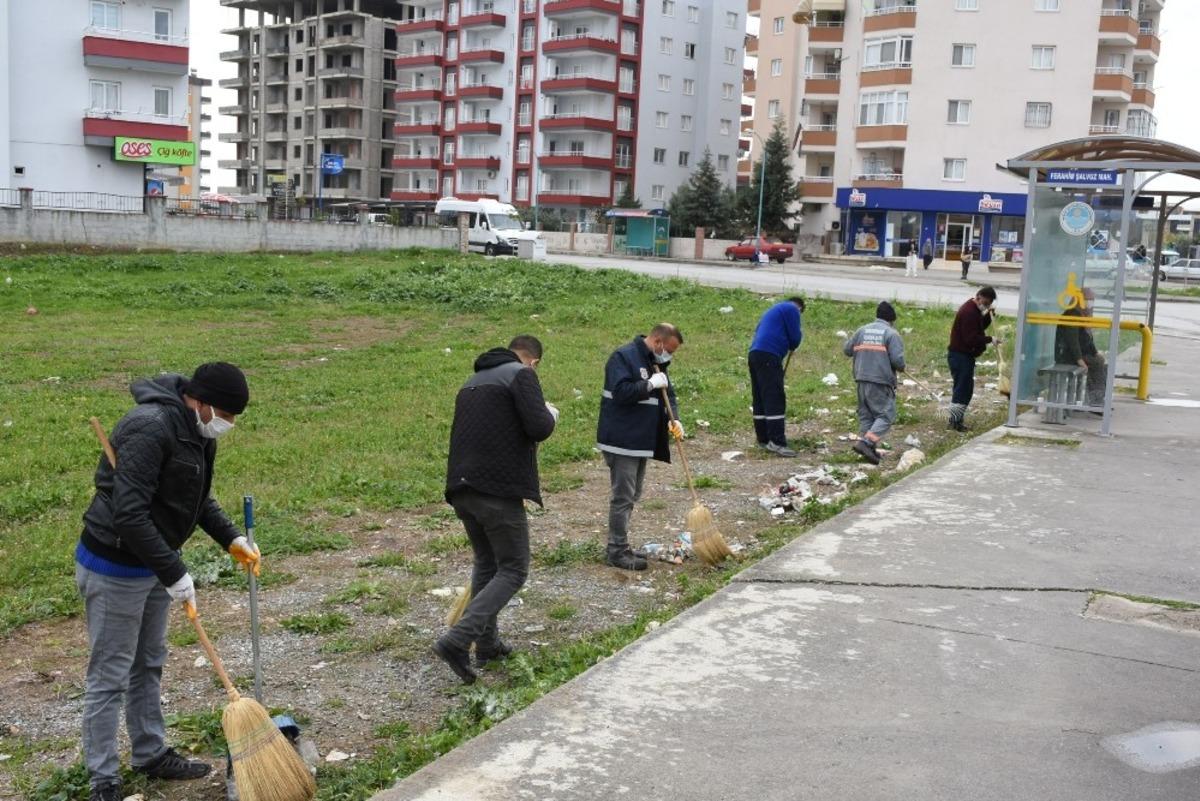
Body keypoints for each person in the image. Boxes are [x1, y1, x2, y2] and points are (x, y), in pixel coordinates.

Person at [76, 363, 258, 801]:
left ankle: (150, 752)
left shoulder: (196, 431)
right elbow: (129, 515)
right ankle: (103, 778)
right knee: (111, 673)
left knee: (149, 663)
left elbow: (195, 498)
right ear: (201, 401)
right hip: (114, 564)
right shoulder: (148, 428)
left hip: (154, 562)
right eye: (226, 415)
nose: (227, 425)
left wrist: (231, 537)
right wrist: (174, 573)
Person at [435, 336, 557, 684]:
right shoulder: (521, 375)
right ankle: (459, 639)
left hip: (461, 486)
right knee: (514, 568)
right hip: (497, 490)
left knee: (487, 563)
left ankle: (487, 646)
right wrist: (549, 414)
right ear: (532, 361)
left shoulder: (471, 381)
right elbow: (539, 427)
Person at [597, 323, 684, 571]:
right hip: (621, 438)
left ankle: (621, 544)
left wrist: (674, 418)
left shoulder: (656, 362)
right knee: (623, 497)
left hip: (641, 439)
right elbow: (622, 392)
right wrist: (649, 385)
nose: (669, 356)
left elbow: (670, 393)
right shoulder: (623, 357)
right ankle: (616, 551)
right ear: (657, 342)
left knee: (633, 495)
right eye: (669, 350)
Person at [843, 302, 906, 465]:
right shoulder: (891, 334)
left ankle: (868, 451)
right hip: (880, 381)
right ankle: (866, 443)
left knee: (867, 416)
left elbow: (847, 350)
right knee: (886, 415)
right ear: (892, 319)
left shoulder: (861, 330)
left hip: (861, 378)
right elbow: (898, 361)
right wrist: (901, 367)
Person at [748, 297, 805, 457]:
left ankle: (763, 438)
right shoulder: (792, 309)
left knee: (760, 396)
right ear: (799, 308)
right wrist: (795, 341)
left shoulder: (772, 310)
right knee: (774, 397)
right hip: (769, 354)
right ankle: (777, 442)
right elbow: (795, 338)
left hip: (755, 353)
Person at [947, 287, 999, 431]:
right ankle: (955, 421)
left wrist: (988, 316)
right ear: (979, 297)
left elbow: (979, 327)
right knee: (962, 390)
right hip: (960, 356)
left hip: (964, 356)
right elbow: (971, 338)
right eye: (986, 303)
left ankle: (957, 419)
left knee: (966, 389)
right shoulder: (969, 311)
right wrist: (989, 339)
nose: (986, 306)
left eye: (989, 305)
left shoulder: (974, 310)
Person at [1055, 287, 1106, 407]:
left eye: (1092, 299)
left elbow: (1088, 337)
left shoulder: (1083, 313)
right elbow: (1072, 341)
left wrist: (1095, 352)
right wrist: (1079, 360)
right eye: (1088, 299)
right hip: (1068, 356)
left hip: (1079, 354)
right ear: (1080, 299)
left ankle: (1097, 398)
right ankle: (1096, 401)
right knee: (1098, 364)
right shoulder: (1073, 313)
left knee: (1100, 361)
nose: (1091, 302)